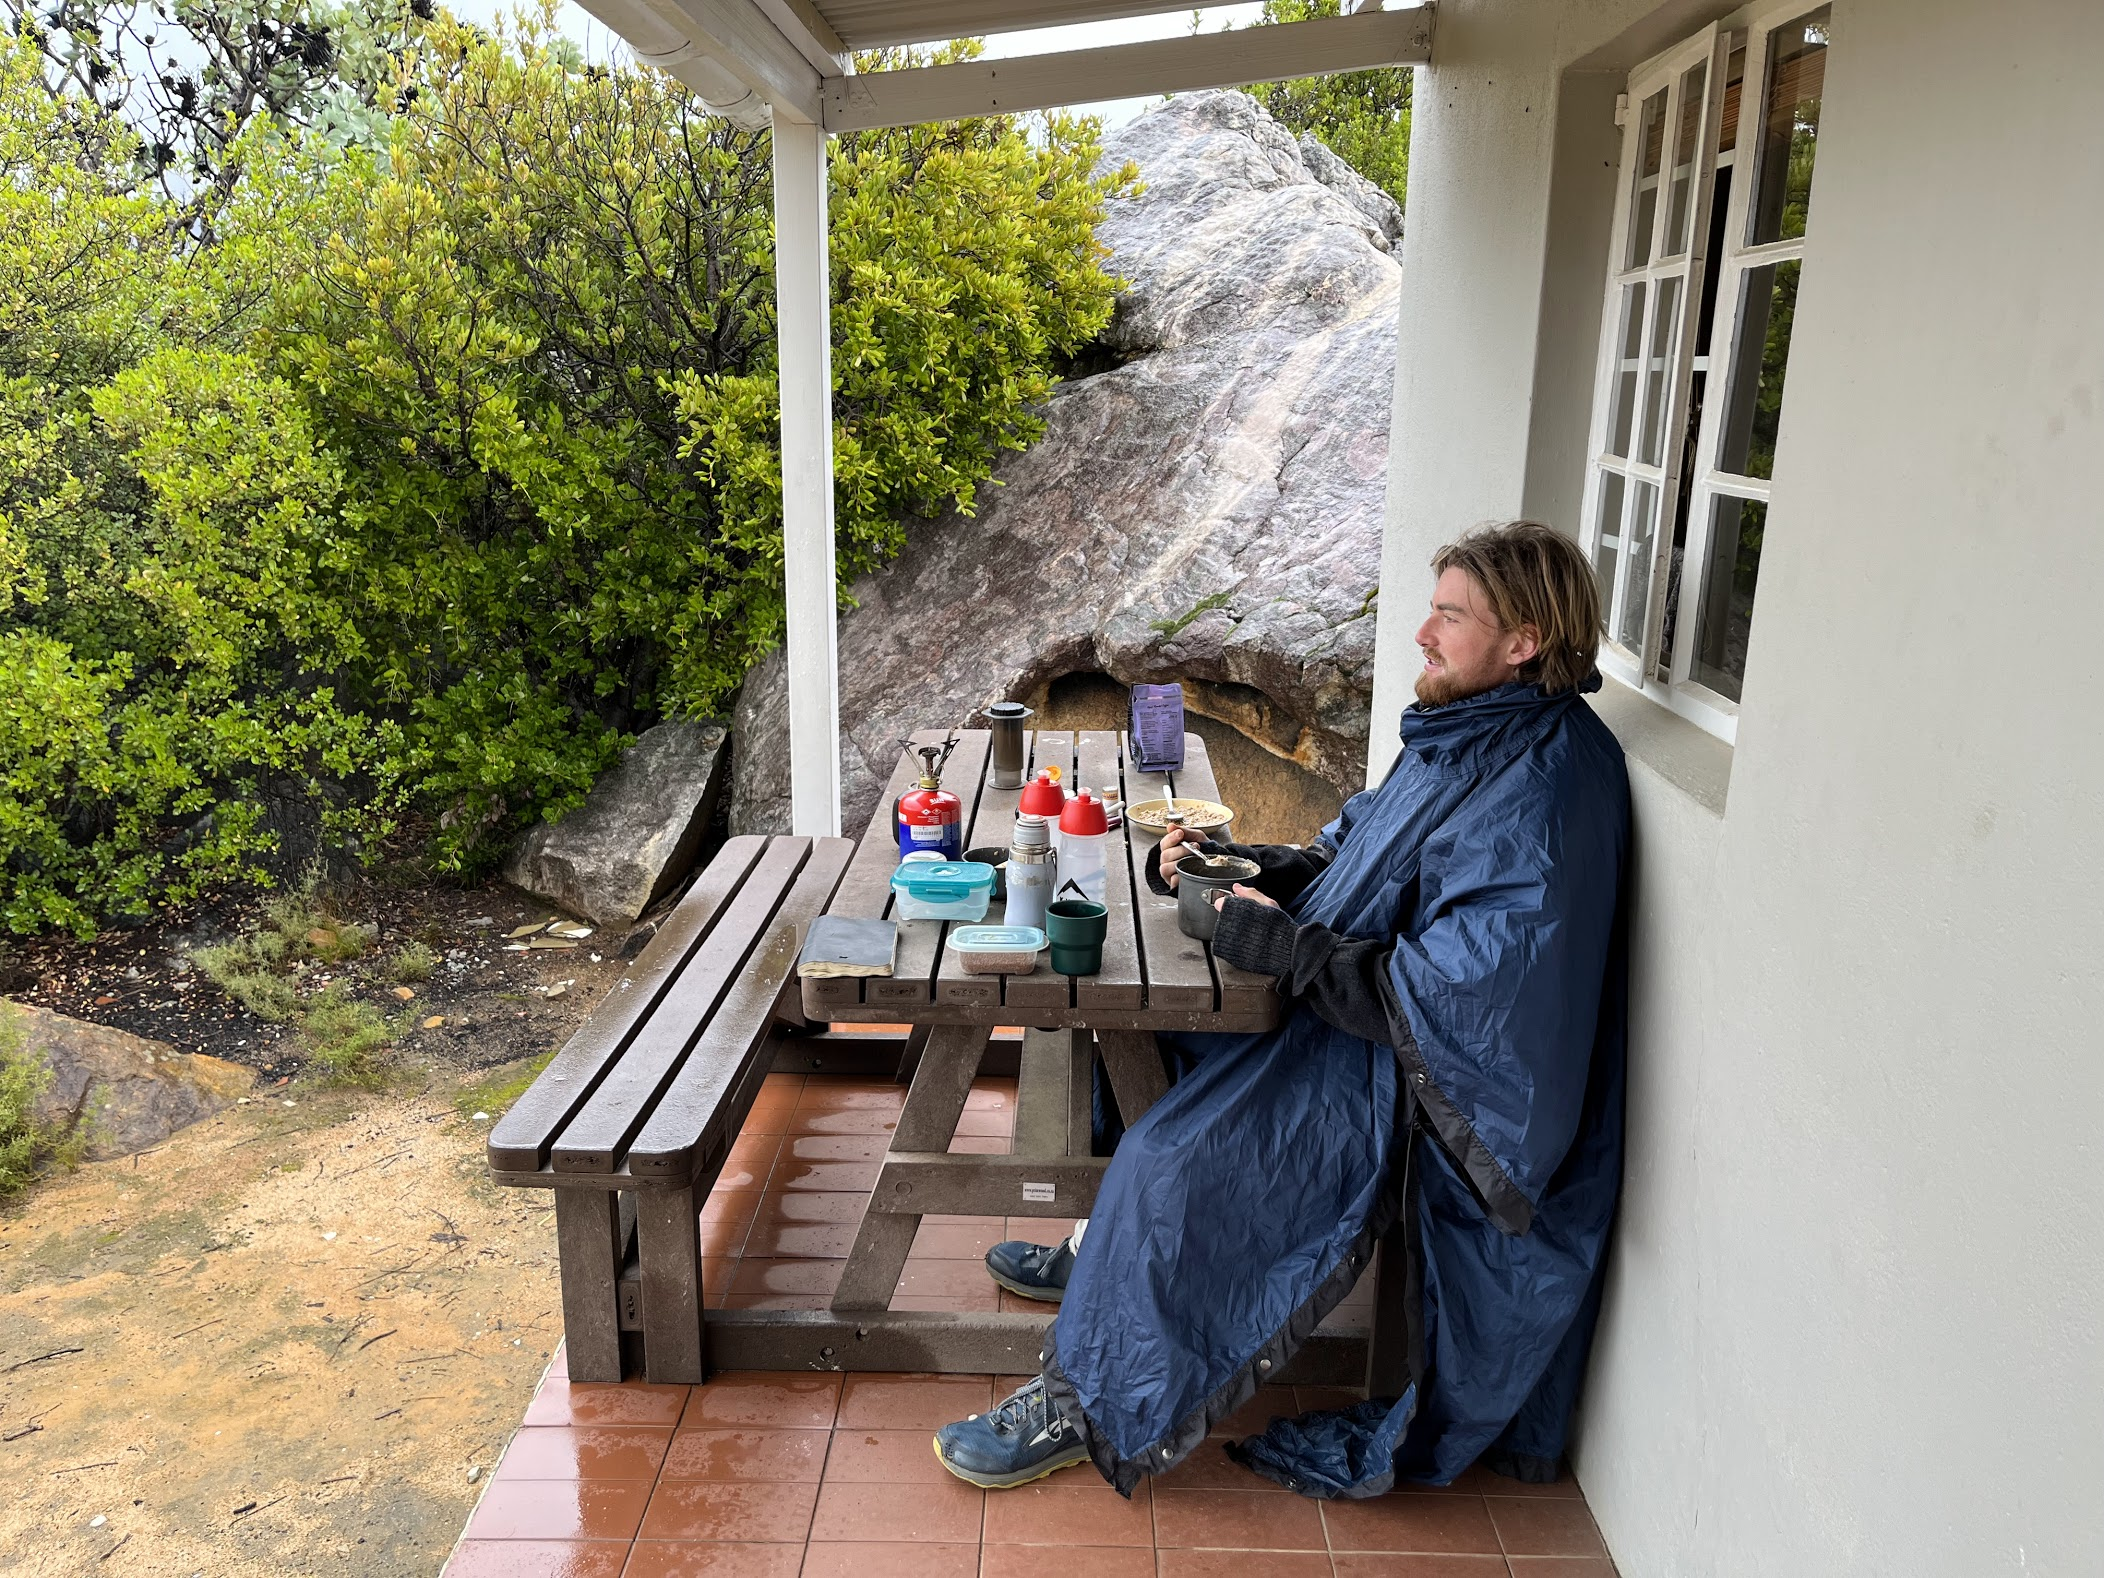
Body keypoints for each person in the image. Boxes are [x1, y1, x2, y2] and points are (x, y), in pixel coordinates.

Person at [933, 521, 1632, 1499]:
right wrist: (1240, 867)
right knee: (1132, 1036)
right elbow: (1358, 860)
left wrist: (1278, 944)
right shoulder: (1473, 730)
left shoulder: (1546, 789)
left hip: (1427, 1093)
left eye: (1450, 615)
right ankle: (1108, 1265)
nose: (1424, 634)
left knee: (1173, 1160)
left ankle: (1088, 1401)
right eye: (1432, 608)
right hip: (1363, 1025)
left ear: (1523, 642)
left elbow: (1466, 1005)